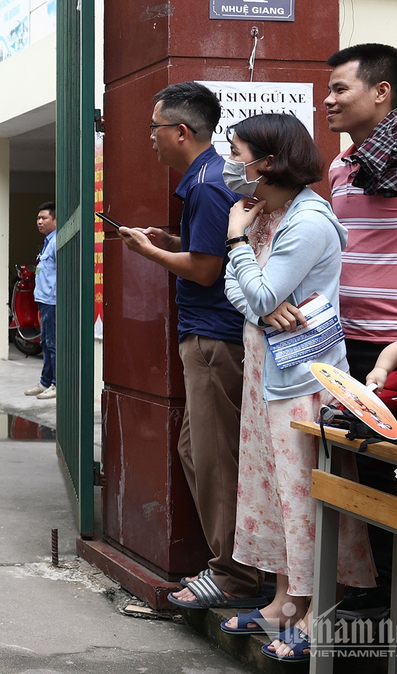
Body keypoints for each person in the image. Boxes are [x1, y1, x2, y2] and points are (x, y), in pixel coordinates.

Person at [219, 113, 376, 661]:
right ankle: (285, 601)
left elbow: (258, 293)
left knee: (302, 494)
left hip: (302, 379)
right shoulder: (267, 210)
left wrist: (238, 244)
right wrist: (260, 302)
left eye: (237, 151)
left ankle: (318, 612)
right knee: (272, 491)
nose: (231, 162)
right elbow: (243, 294)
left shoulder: (307, 221)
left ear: (266, 161)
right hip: (268, 369)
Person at [118, 82, 265, 609]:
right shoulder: (208, 179)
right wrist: (173, 242)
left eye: (155, 129)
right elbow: (211, 252)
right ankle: (227, 567)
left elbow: (206, 272)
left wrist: (146, 252)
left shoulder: (205, 184)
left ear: (181, 132)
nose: (150, 139)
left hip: (213, 339)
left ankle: (233, 577)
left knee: (215, 458)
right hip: (208, 337)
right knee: (193, 451)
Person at [322, 43, 397, 619]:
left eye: (341, 88)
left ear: (381, 91)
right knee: (363, 467)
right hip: (349, 343)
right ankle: (381, 589)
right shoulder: (341, 166)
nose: (328, 99)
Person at [25, 203, 58, 399]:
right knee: (45, 343)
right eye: (38, 218)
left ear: (55, 220)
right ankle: (45, 382)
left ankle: (56, 384)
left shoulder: (56, 242)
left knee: (52, 344)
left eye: (44, 218)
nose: (39, 221)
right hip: (44, 300)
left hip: (53, 301)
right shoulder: (48, 241)